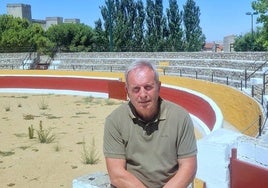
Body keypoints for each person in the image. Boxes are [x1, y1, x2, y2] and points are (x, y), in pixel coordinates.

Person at [103, 59, 197, 188]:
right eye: (136, 89)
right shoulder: (114, 121)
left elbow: (188, 167)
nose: (143, 94)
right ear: (127, 91)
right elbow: (116, 174)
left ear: (159, 86)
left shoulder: (180, 118)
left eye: (148, 87)